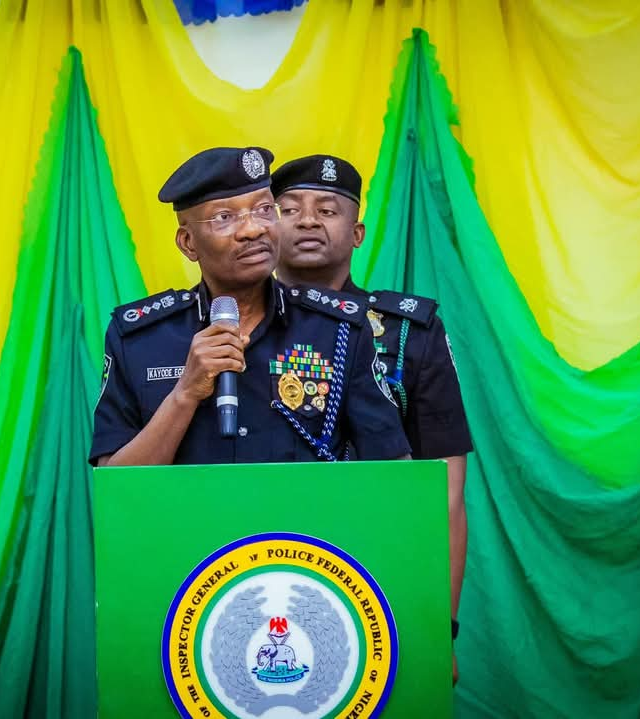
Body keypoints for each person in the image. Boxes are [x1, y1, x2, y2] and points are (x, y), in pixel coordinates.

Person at [271, 154, 473, 684]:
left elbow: (445, 493)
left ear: (357, 232)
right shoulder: (232, 328)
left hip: (377, 576)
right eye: (288, 209)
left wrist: (439, 626)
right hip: (256, 566)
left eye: (327, 209)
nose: (308, 220)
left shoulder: (410, 333)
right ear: (268, 226)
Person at [90, 146, 411, 467]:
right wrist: (184, 394)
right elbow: (115, 485)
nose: (253, 230)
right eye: (224, 217)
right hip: (186, 519)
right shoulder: (139, 338)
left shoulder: (339, 329)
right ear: (188, 243)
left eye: (264, 210)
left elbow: (393, 470)